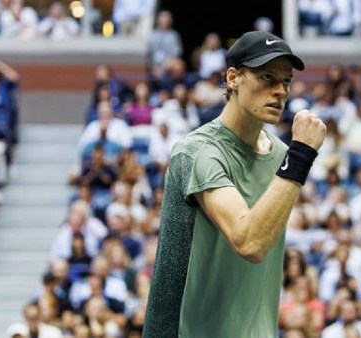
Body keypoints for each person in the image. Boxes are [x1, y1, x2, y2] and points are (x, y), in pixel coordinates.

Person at [143, 30, 327, 337]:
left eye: (286, 81)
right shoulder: (198, 152)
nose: (280, 90)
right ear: (233, 78)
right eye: (267, 77)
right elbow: (249, 242)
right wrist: (301, 157)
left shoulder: (282, 154)